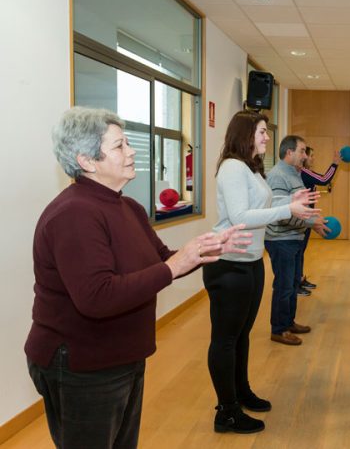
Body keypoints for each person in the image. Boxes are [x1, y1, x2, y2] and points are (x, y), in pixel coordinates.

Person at [25, 107, 251, 449]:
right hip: (82, 366)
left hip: (123, 356)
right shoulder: (73, 214)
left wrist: (206, 249)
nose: (131, 151)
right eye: (119, 146)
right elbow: (97, 296)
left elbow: (162, 259)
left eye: (127, 143)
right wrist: (176, 265)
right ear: (86, 160)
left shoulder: (127, 207)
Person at [203, 111, 320, 434]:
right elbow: (241, 215)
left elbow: (262, 203)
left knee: (241, 336)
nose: (267, 137)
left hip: (251, 261)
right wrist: (288, 209)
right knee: (225, 340)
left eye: (266, 132)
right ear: (245, 134)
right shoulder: (232, 168)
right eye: (262, 131)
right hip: (229, 265)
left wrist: (290, 198)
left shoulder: (252, 168)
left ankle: (241, 392)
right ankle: (225, 411)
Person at [265, 135, 329, 346]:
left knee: (292, 284)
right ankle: (279, 329)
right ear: (289, 152)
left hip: (294, 237)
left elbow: (298, 208)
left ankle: (288, 322)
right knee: (283, 286)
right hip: (281, 239)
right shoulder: (277, 176)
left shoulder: (294, 174)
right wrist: (312, 222)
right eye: (302, 151)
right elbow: (280, 212)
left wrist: (312, 221)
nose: (305, 155)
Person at [297, 146, 341, 295]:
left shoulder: (303, 172)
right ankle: (295, 283)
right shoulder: (304, 172)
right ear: (304, 157)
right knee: (298, 251)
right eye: (311, 156)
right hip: (302, 217)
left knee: (301, 251)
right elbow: (324, 179)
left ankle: (299, 278)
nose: (313, 158)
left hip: (307, 216)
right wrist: (335, 163)